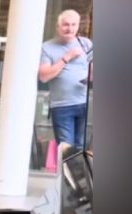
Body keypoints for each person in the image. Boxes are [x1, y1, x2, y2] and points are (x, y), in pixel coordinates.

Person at [38, 9, 93, 150]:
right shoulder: (47, 47)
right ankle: (65, 173)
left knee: (80, 150)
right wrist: (67, 57)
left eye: (74, 25)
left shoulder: (86, 43)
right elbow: (44, 76)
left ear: (78, 26)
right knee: (66, 149)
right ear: (58, 27)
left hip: (84, 103)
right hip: (62, 106)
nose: (70, 29)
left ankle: (79, 173)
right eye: (66, 25)